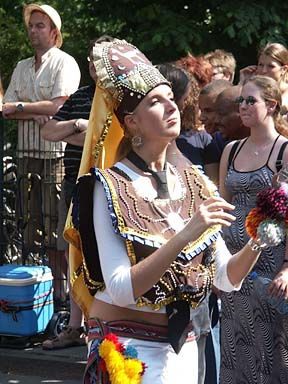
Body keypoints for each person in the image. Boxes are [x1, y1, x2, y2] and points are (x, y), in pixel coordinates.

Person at [64, 39, 267, 384]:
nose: (171, 106)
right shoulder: (108, 186)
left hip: (183, 348)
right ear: (132, 123)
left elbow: (226, 279)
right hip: (127, 346)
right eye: (155, 102)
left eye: (171, 98)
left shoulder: (195, 182)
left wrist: (261, 237)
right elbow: (120, 288)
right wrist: (188, 233)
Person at [2, 4, 81, 302]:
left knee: (56, 227)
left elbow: (60, 107)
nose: (33, 31)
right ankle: (46, 290)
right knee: (29, 223)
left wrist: (22, 107)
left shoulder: (66, 63)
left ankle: (66, 293)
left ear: (54, 32)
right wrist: (34, 109)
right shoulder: (22, 66)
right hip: (26, 154)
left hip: (56, 155)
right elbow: (5, 109)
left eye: (39, 26)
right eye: (31, 26)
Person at [219, 75, 288, 383]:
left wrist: (287, 268)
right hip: (234, 264)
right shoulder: (231, 150)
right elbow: (222, 207)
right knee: (235, 346)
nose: (243, 106)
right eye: (240, 101)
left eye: (251, 100)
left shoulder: (284, 151)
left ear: (271, 105)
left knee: (273, 349)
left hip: (270, 265)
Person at [239, 43, 288, 112]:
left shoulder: (286, 91)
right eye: (261, 65)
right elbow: (235, 107)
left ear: (284, 69)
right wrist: (243, 82)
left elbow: (277, 112)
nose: (264, 71)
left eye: (271, 66)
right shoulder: (255, 88)